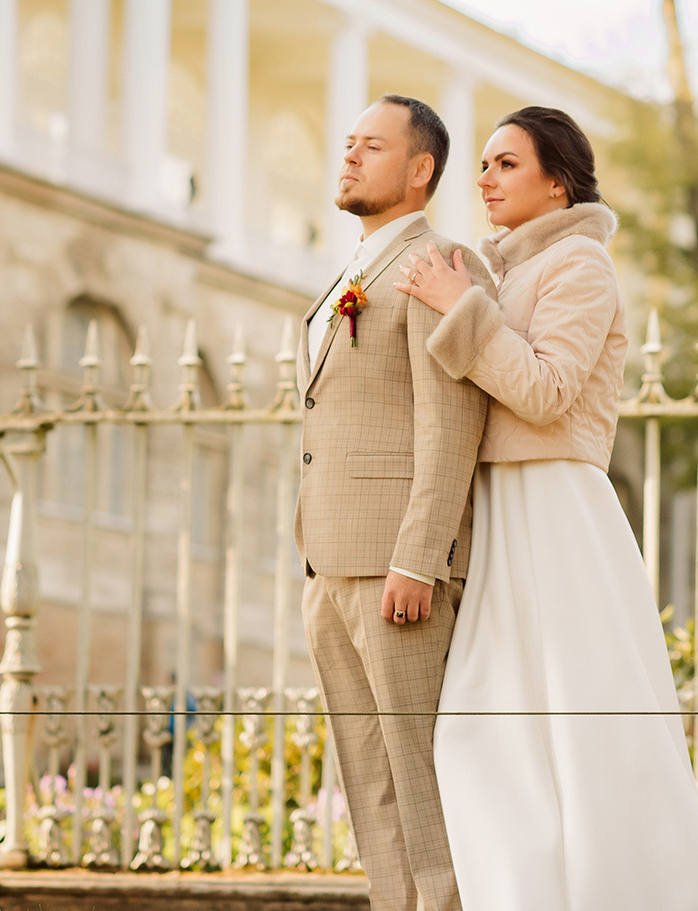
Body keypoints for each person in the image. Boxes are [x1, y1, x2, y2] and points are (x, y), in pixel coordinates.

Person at [394, 105, 698, 910]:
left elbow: (547, 392)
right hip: (502, 515)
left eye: (506, 163)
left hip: (557, 511)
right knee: (487, 730)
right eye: (482, 163)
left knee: (582, 733)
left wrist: (458, 306)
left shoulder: (582, 264)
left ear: (558, 183)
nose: (484, 177)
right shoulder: (503, 271)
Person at [296, 93, 495, 911]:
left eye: (371, 146)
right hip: (328, 564)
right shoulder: (349, 272)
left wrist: (418, 557)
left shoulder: (438, 264)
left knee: (421, 780)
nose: (349, 156)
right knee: (367, 782)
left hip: (396, 573)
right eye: (348, 143)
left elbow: (449, 426)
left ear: (420, 171)